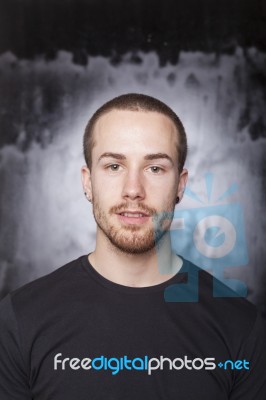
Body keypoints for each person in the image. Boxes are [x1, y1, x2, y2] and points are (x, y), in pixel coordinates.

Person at [0, 93, 265, 399]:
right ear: (88, 181)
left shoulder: (241, 327)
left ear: (180, 185)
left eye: (155, 169)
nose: (133, 190)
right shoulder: (17, 321)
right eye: (114, 166)